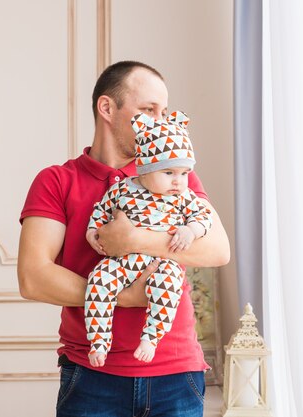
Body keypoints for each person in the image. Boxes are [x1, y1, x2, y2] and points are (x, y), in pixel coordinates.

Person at [17, 61, 230, 417]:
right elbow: (32, 278)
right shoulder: (56, 181)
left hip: (176, 374)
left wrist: (133, 239)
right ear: (107, 108)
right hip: (91, 375)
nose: (159, 121)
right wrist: (125, 297)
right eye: (148, 110)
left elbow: (218, 250)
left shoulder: (175, 176)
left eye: (163, 112)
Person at [85, 110, 212, 366]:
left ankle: (151, 337)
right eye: (168, 173)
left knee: (169, 285)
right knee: (98, 279)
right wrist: (92, 231)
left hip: (163, 261)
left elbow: (204, 216)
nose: (178, 181)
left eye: (184, 173)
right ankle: (98, 341)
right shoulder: (123, 188)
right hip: (123, 261)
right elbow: (101, 209)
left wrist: (191, 230)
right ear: (144, 171)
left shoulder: (183, 197)